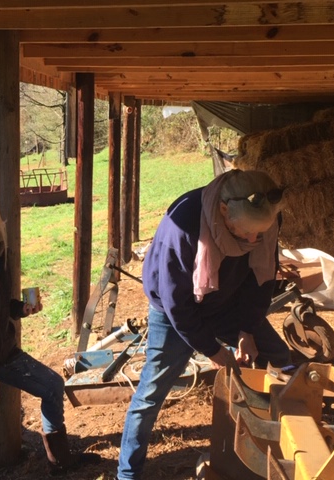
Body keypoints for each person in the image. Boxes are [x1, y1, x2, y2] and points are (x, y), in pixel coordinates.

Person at [116, 169, 291, 480]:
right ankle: (127, 473)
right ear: (223, 212)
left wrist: (247, 330)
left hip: (228, 301)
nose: (253, 241)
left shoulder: (264, 219)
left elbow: (260, 280)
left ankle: (273, 449)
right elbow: (176, 303)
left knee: (279, 357)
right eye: (245, 233)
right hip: (175, 309)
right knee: (151, 392)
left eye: (259, 235)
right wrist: (211, 349)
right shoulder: (184, 223)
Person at [0, 193, 100, 479]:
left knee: (52, 384)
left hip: (3, 352)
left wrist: (21, 308)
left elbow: (0, 305)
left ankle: (59, 460)